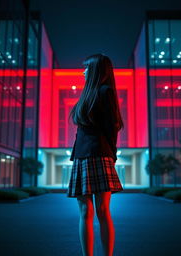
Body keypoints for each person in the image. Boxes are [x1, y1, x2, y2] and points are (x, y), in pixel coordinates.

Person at [67, 53, 124, 256]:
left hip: (99, 154)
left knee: (101, 210)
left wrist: (112, 155)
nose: (83, 71)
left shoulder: (104, 91)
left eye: (87, 68)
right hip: (82, 156)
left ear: (96, 71)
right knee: (86, 211)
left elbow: (112, 127)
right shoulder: (89, 93)